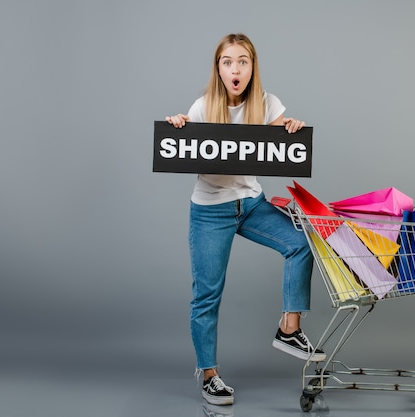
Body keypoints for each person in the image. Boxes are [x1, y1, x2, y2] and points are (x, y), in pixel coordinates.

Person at [165, 33, 325, 406]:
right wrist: (179, 125)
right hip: (211, 211)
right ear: (218, 68)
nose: (235, 69)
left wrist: (290, 129)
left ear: (252, 67)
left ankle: (289, 328)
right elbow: (184, 139)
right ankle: (209, 375)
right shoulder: (204, 106)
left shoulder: (268, 104)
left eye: (242, 61)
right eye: (227, 62)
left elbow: (282, 146)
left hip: (251, 204)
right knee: (207, 294)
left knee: (300, 243)